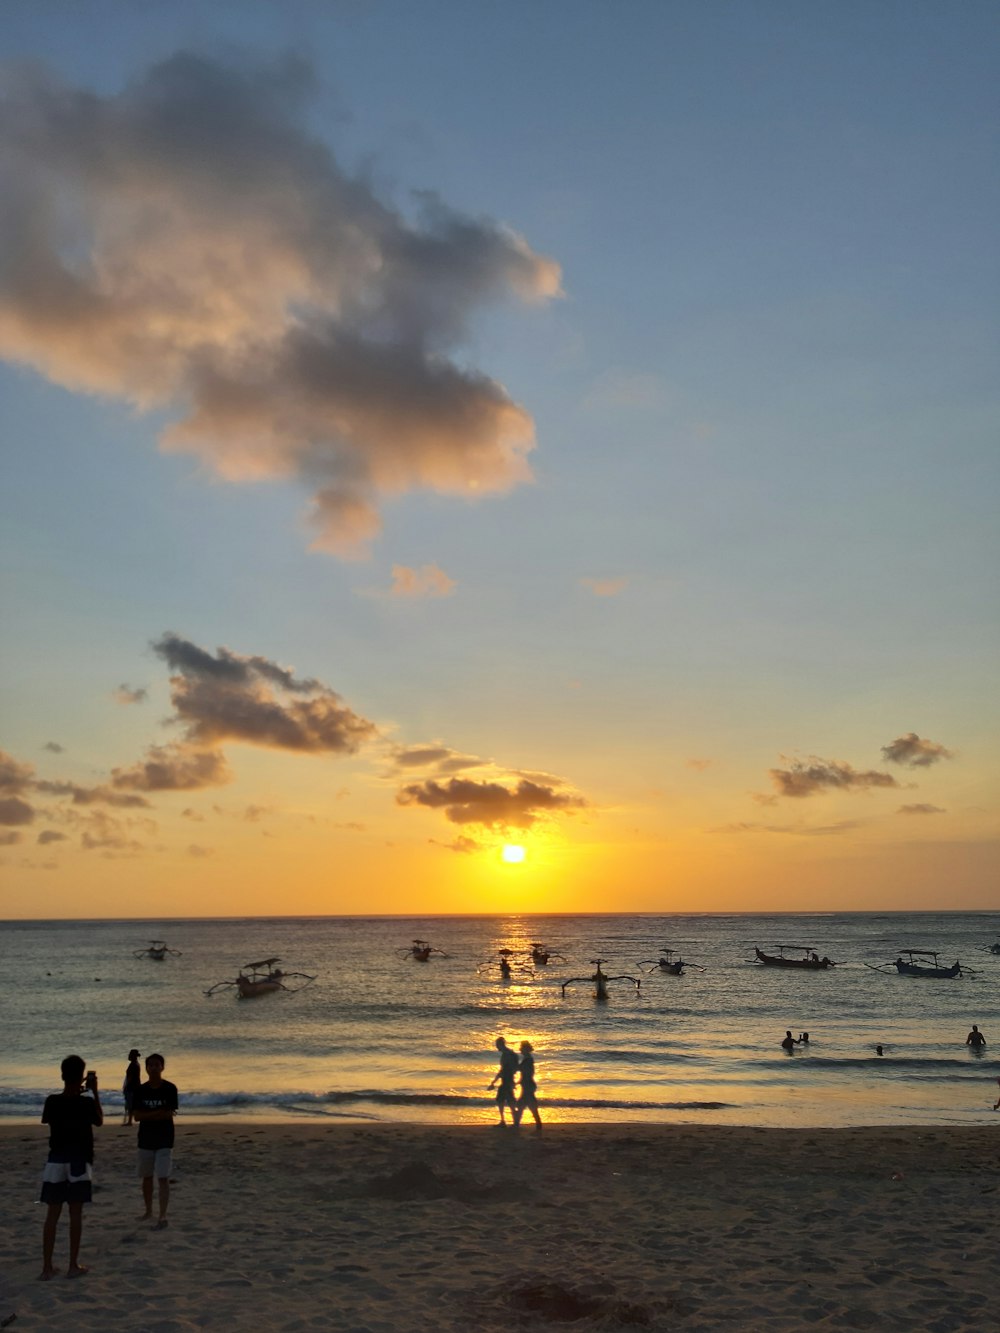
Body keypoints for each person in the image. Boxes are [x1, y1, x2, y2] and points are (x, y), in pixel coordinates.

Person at [39, 1054, 103, 1280]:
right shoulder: (85, 1102)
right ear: (82, 1076)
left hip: (56, 1159)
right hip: (78, 1160)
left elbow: (47, 1121)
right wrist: (93, 1092)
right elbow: (99, 1120)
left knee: (52, 1214)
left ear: (62, 1075)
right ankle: (72, 1265)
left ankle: (47, 1267)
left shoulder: (52, 1101)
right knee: (75, 1213)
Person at [133, 1053, 178, 1229]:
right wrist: (157, 1114)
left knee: (163, 1177)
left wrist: (149, 1115)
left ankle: (163, 1214)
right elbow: (137, 1116)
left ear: (162, 1067)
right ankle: (148, 1211)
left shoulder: (170, 1088)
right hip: (145, 1139)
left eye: (156, 1065)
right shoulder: (141, 1090)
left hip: (165, 1138)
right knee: (146, 1177)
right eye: (150, 1065)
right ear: (146, 1068)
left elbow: (169, 1113)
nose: (153, 1068)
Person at [487, 1037, 519, 1126]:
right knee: (510, 1100)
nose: (497, 1047)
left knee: (501, 1100)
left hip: (506, 1080)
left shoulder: (506, 1055)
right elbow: (515, 1068)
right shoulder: (512, 1053)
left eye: (497, 1045)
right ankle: (514, 1121)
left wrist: (493, 1082)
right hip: (510, 1079)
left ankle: (504, 1121)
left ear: (501, 1044)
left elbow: (502, 1070)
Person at [513, 1040, 542, 1130]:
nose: (520, 1050)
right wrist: (519, 1081)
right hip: (528, 1084)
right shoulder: (528, 1059)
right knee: (528, 1104)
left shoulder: (528, 1060)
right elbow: (525, 1073)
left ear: (526, 1049)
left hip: (528, 1085)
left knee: (525, 1104)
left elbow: (523, 1070)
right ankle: (537, 1124)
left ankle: (517, 1124)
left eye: (522, 1048)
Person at [122, 1049, 141, 1126]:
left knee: (130, 1104)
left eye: (130, 1055)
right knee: (132, 1103)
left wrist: (126, 1086)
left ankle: (129, 1121)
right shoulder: (136, 1064)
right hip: (135, 1086)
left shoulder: (133, 1065)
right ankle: (130, 1120)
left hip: (132, 1087)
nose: (128, 1056)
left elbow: (130, 1077)